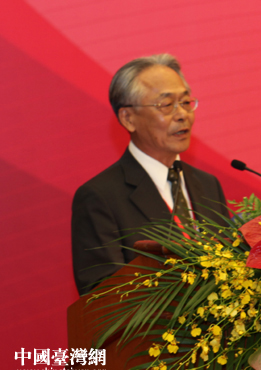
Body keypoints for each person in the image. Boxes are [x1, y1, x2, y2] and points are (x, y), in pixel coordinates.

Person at [71, 54, 230, 295]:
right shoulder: (100, 197)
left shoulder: (208, 185)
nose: (182, 114)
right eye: (166, 105)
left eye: (185, 102)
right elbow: (102, 297)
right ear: (128, 118)